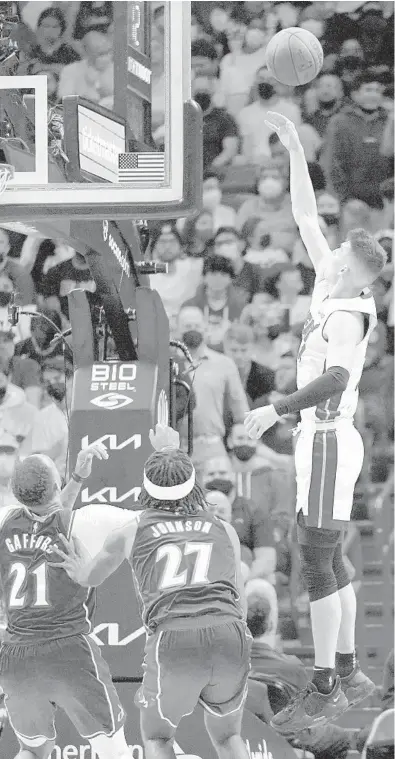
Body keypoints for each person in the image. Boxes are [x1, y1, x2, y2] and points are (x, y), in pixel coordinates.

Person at [244, 111, 386, 733]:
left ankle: (328, 682)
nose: (321, 257)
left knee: (316, 556)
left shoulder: (350, 311)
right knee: (326, 557)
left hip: (328, 437)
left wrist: (275, 407)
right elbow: (305, 215)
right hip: (317, 441)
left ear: (354, 274)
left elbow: (334, 381)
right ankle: (348, 669)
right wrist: (296, 147)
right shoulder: (334, 286)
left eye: (335, 258)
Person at [53, 424, 252, 759]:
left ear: (145, 488)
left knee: (158, 738)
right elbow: (241, 606)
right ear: (195, 485)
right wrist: (169, 450)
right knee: (229, 737)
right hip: (229, 633)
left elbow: (90, 577)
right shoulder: (224, 529)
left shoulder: (130, 531)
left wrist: (77, 569)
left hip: (174, 639)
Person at [0, 442, 136, 759]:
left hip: (17, 655)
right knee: (114, 750)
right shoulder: (88, 522)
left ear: (12, 490)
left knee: (32, 751)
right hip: (69, 650)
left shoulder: (4, 520)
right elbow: (145, 523)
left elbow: (47, 514)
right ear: (56, 484)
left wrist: (76, 478)